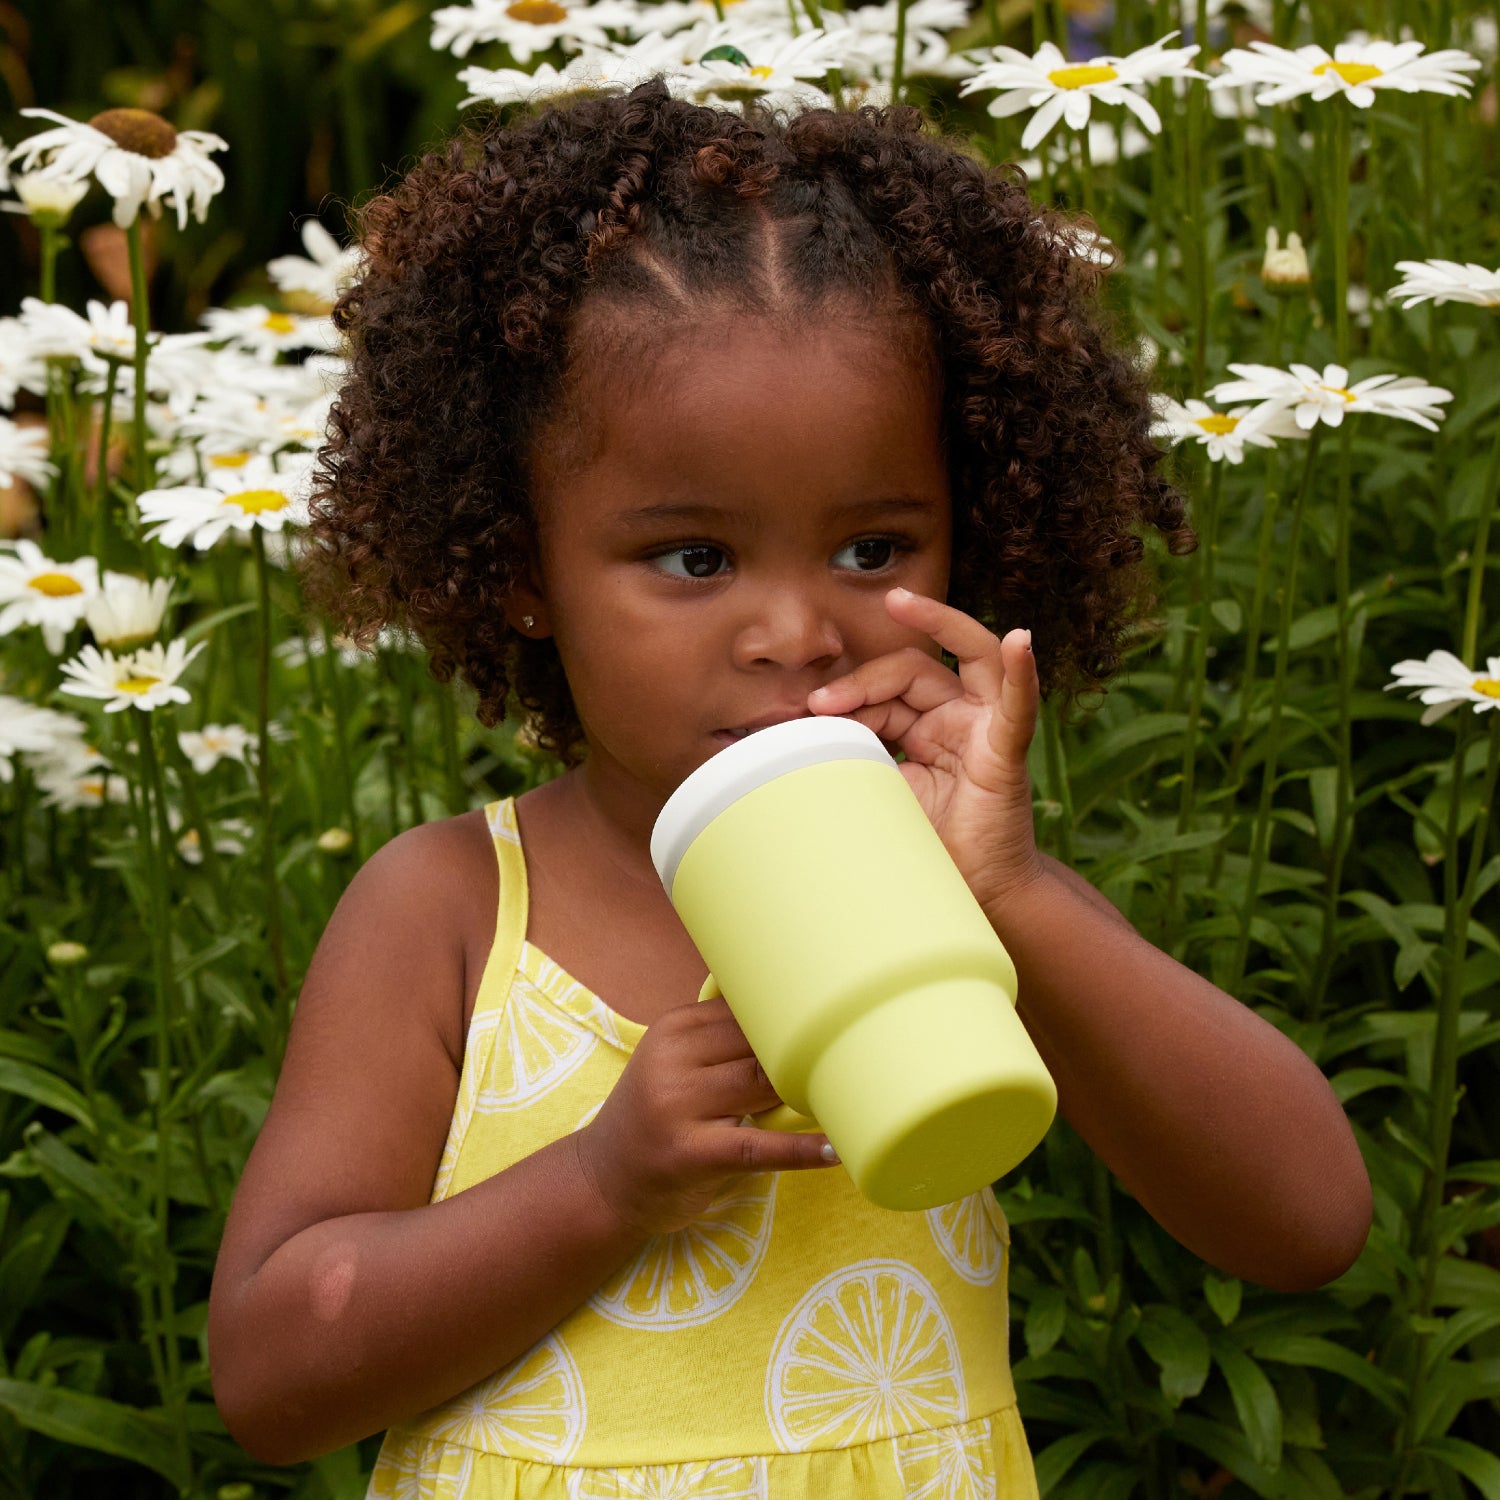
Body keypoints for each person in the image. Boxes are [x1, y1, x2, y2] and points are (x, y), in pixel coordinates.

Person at [206, 79, 1373, 1497]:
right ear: (520, 568)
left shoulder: (956, 888)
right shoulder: (453, 909)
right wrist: (598, 1186)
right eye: (695, 559)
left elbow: (1305, 1220)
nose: (797, 631)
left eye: (875, 547)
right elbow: (272, 1373)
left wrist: (1010, 899)